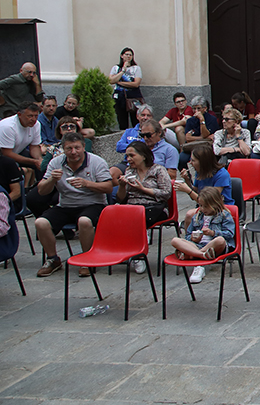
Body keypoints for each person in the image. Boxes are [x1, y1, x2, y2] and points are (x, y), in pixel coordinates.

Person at [33, 133, 113, 278]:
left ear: (83, 147)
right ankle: (53, 259)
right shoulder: (56, 163)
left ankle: (87, 259)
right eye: (69, 148)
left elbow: (108, 187)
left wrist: (87, 184)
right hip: (66, 204)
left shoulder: (96, 162)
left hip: (93, 203)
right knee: (40, 222)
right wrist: (52, 179)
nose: (73, 152)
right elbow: (42, 190)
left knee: (84, 221)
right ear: (63, 149)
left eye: (77, 147)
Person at [115, 139, 172, 273]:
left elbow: (166, 193)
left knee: (138, 217)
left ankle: (139, 254)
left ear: (143, 156)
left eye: (132, 155)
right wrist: (122, 186)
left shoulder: (158, 170)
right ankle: (127, 250)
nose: (128, 159)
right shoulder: (130, 171)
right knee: (115, 214)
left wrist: (143, 189)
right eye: (127, 156)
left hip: (154, 207)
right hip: (132, 206)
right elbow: (121, 198)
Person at [169, 186, 235, 285]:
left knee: (220, 240)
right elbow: (188, 235)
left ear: (214, 204)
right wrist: (192, 238)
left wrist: (213, 233)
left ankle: (193, 256)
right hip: (199, 246)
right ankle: (201, 255)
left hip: (214, 246)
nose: (202, 209)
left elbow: (230, 234)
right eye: (200, 205)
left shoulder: (224, 215)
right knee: (175, 240)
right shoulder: (197, 216)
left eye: (205, 206)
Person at [175, 145, 235, 237]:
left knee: (189, 215)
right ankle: (191, 241)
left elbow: (210, 200)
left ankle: (191, 241)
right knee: (190, 215)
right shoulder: (200, 172)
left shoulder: (222, 174)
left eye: (193, 160)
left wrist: (188, 190)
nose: (190, 162)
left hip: (219, 207)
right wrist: (187, 180)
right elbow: (195, 192)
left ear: (203, 162)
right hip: (204, 206)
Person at [0, 102, 44, 185]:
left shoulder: (36, 124)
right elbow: (6, 153)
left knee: (43, 165)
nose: (33, 119)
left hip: (18, 151)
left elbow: (34, 146)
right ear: (19, 115)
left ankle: (39, 189)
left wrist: (39, 159)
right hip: (4, 156)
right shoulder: (8, 126)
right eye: (30, 116)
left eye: (36, 116)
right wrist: (33, 161)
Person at [177, 96, 218, 169]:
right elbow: (188, 138)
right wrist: (203, 138)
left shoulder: (212, 119)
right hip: (192, 147)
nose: (196, 111)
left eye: (198, 108)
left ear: (205, 108)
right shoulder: (190, 121)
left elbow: (209, 135)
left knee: (198, 160)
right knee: (182, 159)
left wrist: (202, 120)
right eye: (194, 108)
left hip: (206, 148)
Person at [109, 48, 143, 129]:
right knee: (122, 120)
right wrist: (123, 70)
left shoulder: (136, 68)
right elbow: (111, 80)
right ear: (121, 56)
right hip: (119, 97)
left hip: (133, 97)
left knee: (135, 120)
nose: (128, 56)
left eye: (130, 55)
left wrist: (120, 83)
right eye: (126, 54)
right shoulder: (116, 68)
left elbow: (136, 84)